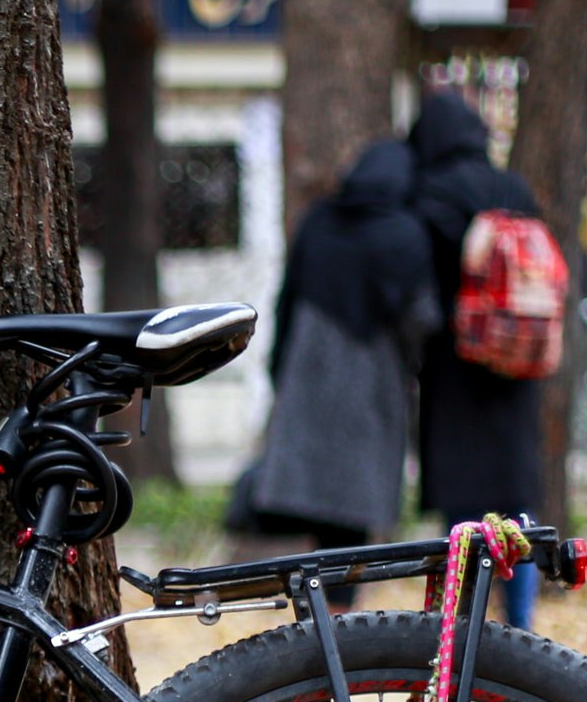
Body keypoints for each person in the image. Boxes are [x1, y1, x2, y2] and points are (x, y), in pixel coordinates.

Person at [225, 139, 435, 555]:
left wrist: (278, 370)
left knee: (308, 500)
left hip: (309, 375)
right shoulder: (405, 233)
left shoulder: (319, 221)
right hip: (372, 384)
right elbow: (421, 319)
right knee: (352, 509)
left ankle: (313, 604)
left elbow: (287, 298)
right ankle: (340, 608)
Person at [408, 89, 544, 627]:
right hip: (516, 368)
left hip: (453, 365)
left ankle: (463, 623)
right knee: (516, 502)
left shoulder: (428, 193)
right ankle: (523, 619)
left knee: (461, 507)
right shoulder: (514, 188)